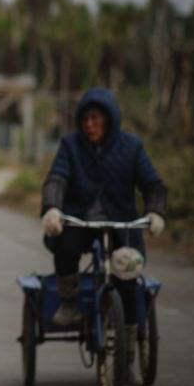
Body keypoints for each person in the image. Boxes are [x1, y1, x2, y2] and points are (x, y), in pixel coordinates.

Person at [40, 87, 167, 364]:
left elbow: (153, 184)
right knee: (65, 246)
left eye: (96, 119)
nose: (90, 125)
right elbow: (57, 178)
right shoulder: (70, 146)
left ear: (110, 119)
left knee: (127, 276)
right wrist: (52, 208)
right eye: (85, 119)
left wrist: (155, 211)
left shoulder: (131, 147)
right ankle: (70, 301)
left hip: (121, 222)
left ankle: (129, 337)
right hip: (81, 220)